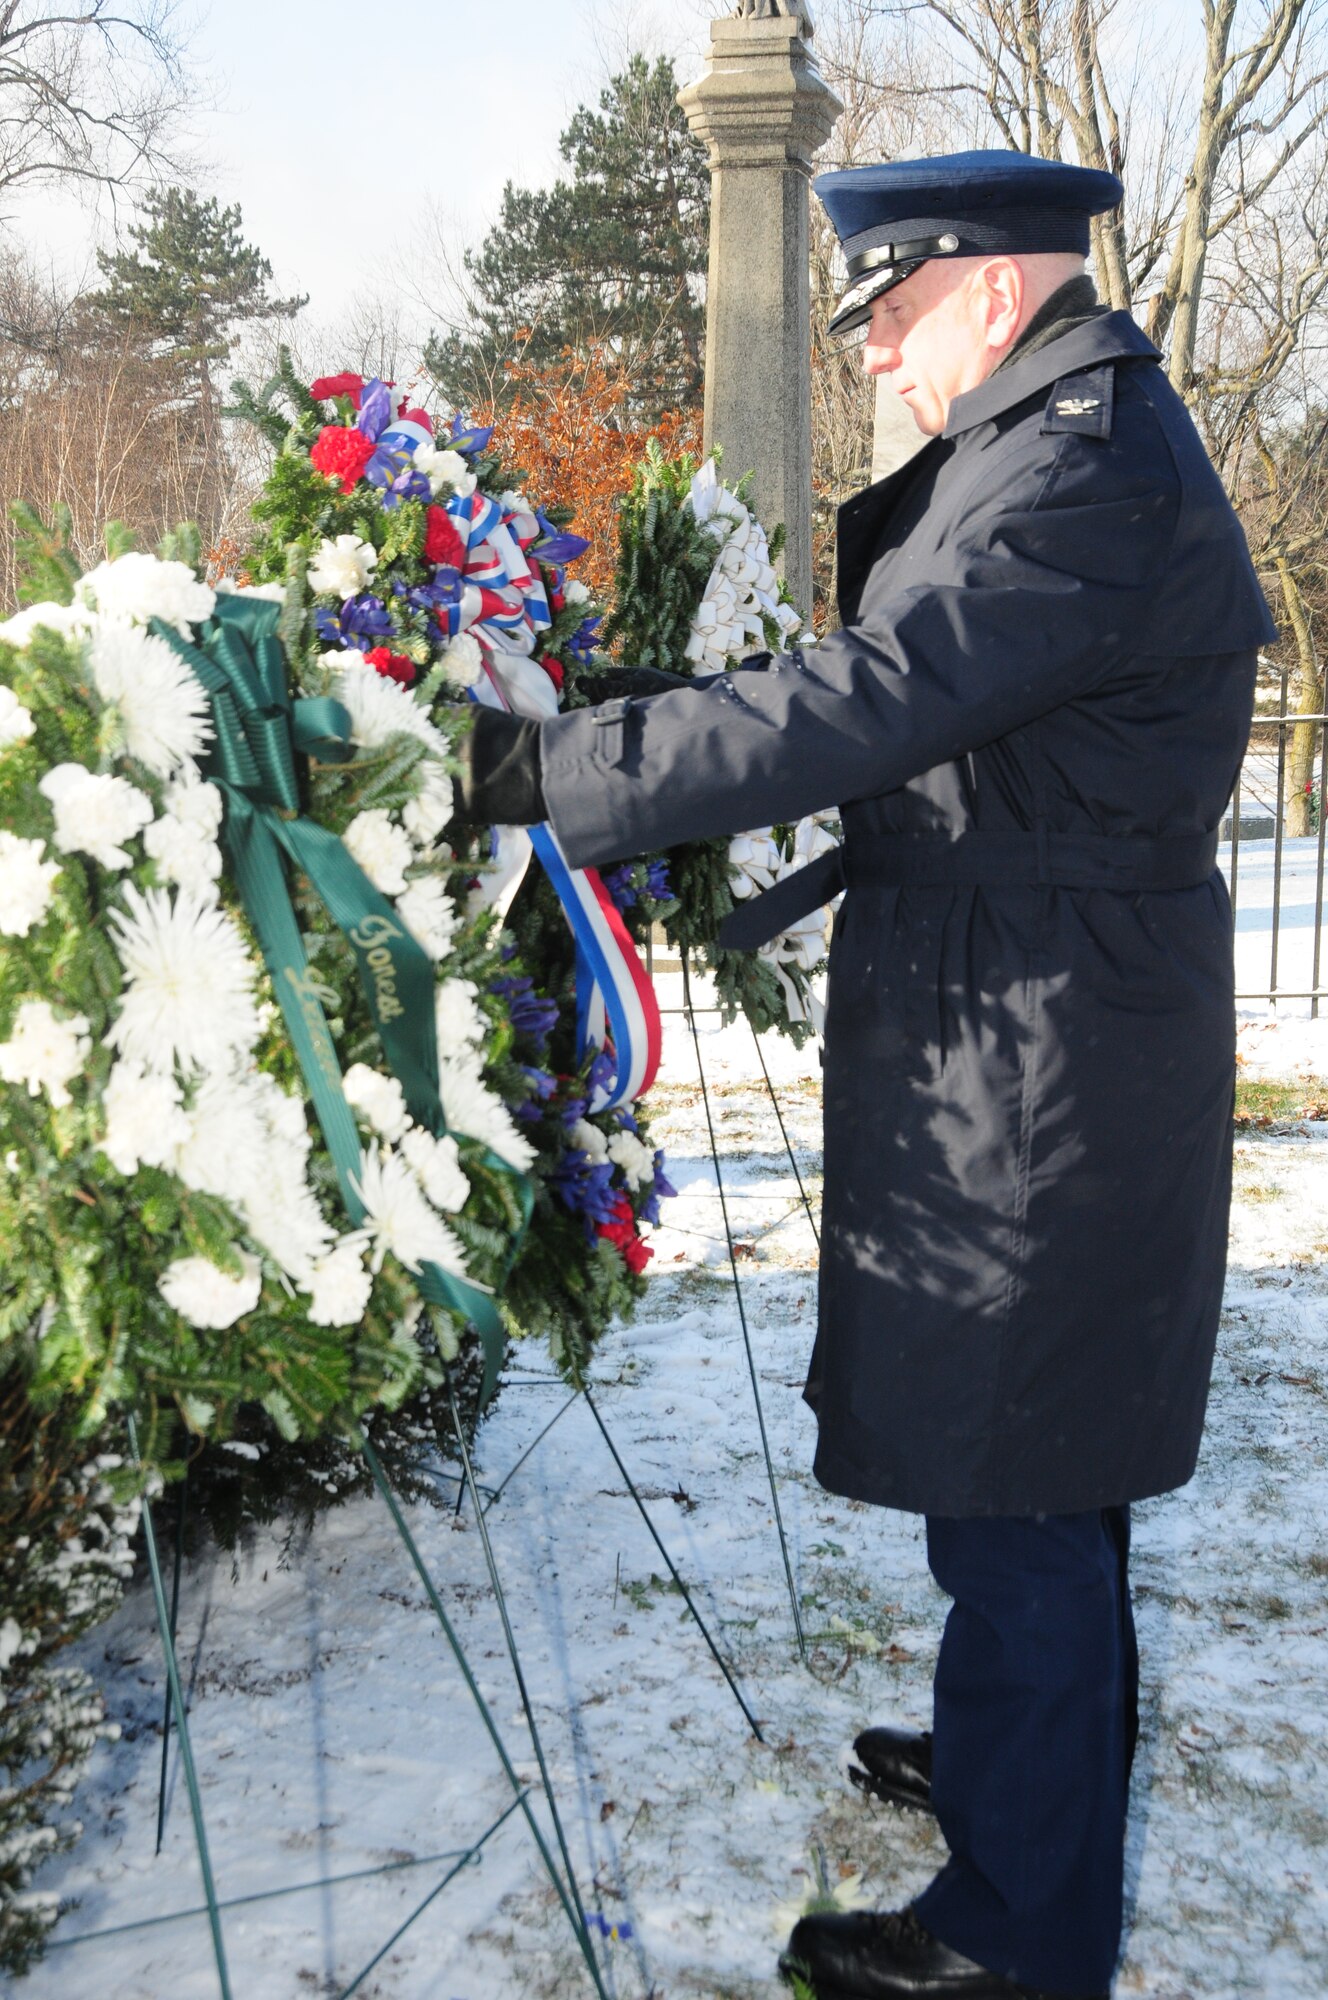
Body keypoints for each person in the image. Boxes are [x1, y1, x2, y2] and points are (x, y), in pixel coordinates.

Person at [458, 151, 1276, 2000]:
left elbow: (872, 700)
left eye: (896, 321)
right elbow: (892, 689)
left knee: (1028, 1487)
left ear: (992, 288)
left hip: (1047, 1038)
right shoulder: (1058, 436)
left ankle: (1016, 1926)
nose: (885, 364)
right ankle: (1015, 1760)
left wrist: (547, 776)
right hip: (1036, 1008)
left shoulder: (1077, 467)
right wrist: (626, 713)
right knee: (1025, 1468)